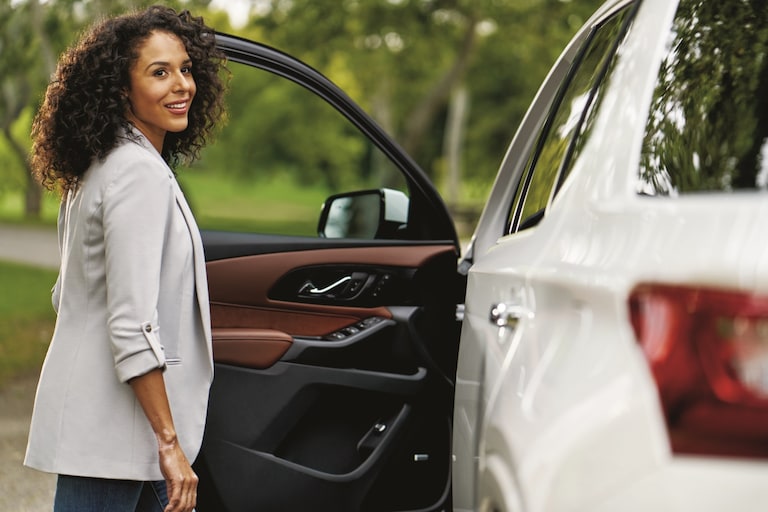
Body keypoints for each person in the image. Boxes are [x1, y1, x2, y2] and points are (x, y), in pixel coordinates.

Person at [24, 5, 227, 512]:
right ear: (121, 89)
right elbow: (132, 322)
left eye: (184, 68)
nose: (181, 84)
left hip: (107, 424)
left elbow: (67, 295)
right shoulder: (137, 174)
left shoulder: (102, 163)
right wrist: (169, 443)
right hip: (113, 431)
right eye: (159, 72)